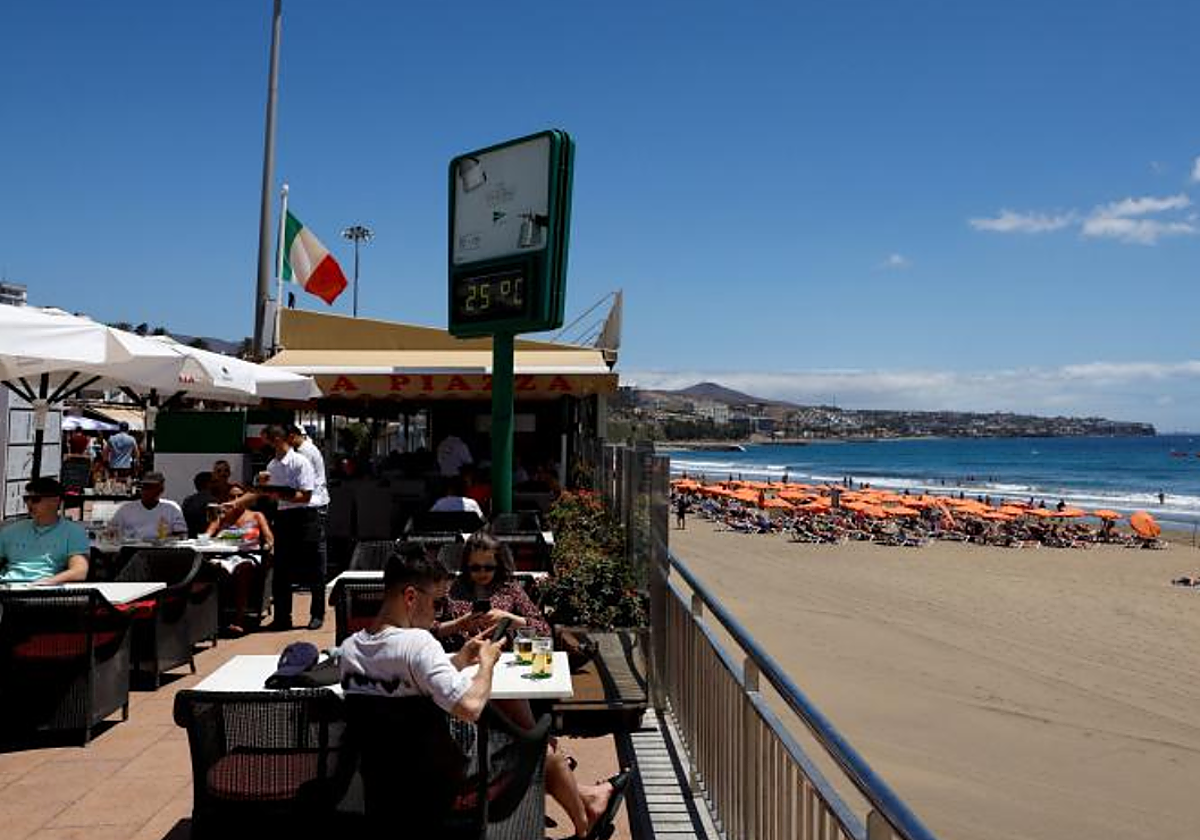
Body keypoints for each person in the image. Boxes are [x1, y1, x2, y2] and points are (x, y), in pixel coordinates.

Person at [340, 544, 627, 840]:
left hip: (386, 786)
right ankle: (586, 826)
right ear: (411, 597)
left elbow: (402, 680)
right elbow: (471, 706)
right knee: (545, 750)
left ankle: (591, 803)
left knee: (530, 741)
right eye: (437, 604)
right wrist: (487, 663)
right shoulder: (417, 644)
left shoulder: (351, 650)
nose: (437, 614)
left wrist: (459, 660)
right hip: (446, 787)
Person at [229, 424, 322, 631]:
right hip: (284, 516)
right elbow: (261, 492)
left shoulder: (300, 462)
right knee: (282, 569)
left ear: (278, 440)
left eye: (267, 442)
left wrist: (278, 493)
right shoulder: (272, 465)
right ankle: (282, 617)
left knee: (312, 567)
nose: (265, 446)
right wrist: (236, 503)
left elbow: (305, 495)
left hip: (305, 516)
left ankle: (317, 614)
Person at [434, 531, 550, 649]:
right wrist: (458, 625)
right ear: (466, 566)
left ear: (498, 565)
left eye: (489, 568)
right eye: (475, 568)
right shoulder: (450, 589)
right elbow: (426, 631)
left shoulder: (509, 587)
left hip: (501, 658)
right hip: (460, 658)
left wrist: (510, 620)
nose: (482, 573)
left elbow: (544, 631)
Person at [206, 485, 275, 636]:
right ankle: (213, 620)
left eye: (239, 496)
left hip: (249, 555)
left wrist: (268, 546)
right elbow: (207, 536)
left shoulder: (256, 515)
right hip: (225, 556)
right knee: (210, 569)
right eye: (232, 497)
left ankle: (239, 620)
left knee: (243, 569)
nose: (236, 500)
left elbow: (269, 538)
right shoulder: (222, 516)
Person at [0, 477, 89, 584]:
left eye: (35, 499)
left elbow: (79, 571)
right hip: (8, 588)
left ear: (55, 501)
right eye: (26, 499)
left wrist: (48, 582)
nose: (29, 504)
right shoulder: (11, 531)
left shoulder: (74, 532)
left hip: (46, 591)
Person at [288, 423, 329, 598]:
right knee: (311, 551)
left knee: (314, 552)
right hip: (312, 504)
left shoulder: (304, 453)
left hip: (313, 506)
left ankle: (313, 587)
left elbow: (303, 484)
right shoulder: (306, 449)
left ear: (293, 436)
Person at [110, 471, 187, 540]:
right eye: (144, 487)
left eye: (151, 487)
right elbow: (111, 531)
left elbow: (182, 534)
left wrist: (163, 540)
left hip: (162, 550)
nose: (146, 491)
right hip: (132, 549)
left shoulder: (172, 508)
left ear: (161, 490)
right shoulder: (126, 509)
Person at [181, 471, 214, 538]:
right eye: (214, 482)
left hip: (189, 539)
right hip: (205, 540)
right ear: (209, 484)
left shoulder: (188, 500)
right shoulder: (211, 501)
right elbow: (213, 522)